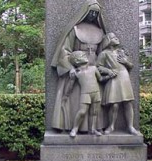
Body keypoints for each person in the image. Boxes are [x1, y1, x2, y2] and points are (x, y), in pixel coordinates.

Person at [50, 0, 107, 132]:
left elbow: (103, 52)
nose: (93, 15)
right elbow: (65, 50)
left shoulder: (100, 31)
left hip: (93, 71)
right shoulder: (75, 30)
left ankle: (93, 128)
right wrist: (70, 68)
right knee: (77, 103)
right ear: (85, 12)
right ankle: (74, 128)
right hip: (77, 69)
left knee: (94, 104)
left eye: (96, 13)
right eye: (91, 12)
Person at [97, 33, 139, 135]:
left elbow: (131, 66)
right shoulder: (104, 53)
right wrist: (108, 71)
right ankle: (111, 126)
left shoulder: (121, 51)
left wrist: (126, 62)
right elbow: (98, 66)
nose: (116, 38)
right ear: (108, 41)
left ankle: (130, 126)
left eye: (116, 36)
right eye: (113, 37)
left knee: (128, 103)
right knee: (114, 104)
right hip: (113, 78)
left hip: (124, 77)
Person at [65, 51, 114, 137]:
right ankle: (75, 129)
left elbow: (101, 79)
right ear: (76, 61)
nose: (85, 55)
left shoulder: (93, 68)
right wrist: (66, 95)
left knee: (94, 112)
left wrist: (109, 76)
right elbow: (70, 85)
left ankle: (93, 129)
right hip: (85, 94)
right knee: (82, 111)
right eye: (82, 55)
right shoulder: (76, 73)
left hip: (96, 93)